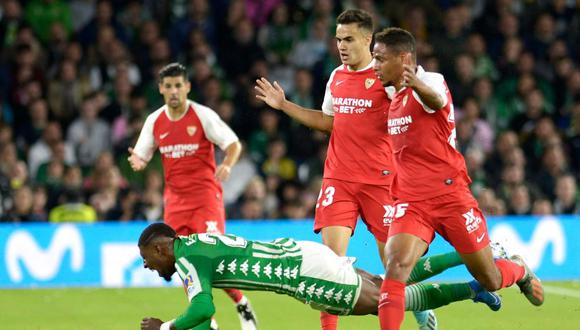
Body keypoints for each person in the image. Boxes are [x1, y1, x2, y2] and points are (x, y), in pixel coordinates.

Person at [255, 9, 457, 330]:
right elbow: (329, 122)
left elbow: (419, 114)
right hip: (339, 180)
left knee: (397, 268)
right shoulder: (336, 77)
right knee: (329, 266)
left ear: (367, 39)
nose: (341, 45)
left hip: (382, 182)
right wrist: (285, 106)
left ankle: (422, 306)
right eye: (338, 39)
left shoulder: (387, 80)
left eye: (348, 39)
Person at [371, 27, 544, 330]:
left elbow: (436, 100)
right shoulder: (390, 93)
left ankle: (518, 269)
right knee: (395, 269)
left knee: (489, 277)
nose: (375, 66)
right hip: (411, 201)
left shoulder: (431, 81)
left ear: (404, 59)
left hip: (451, 197)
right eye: (373, 58)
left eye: (380, 59)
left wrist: (416, 83)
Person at [138, 223, 502, 330]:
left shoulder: (186, 260)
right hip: (298, 255)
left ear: (160, 249)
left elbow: (201, 309)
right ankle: (479, 261)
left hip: (303, 276)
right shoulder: (194, 243)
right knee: (390, 281)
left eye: (147, 260)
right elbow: (199, 317)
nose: (148, 268)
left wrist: (165, 328)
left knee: (392, 301)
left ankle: (474, 285)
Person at [128, 63, 256, 330]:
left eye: (178, 85)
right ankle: (206, 320)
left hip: (205, 199)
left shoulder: (202, 115)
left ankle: (241, 302)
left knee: (215, 261)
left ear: (187, 87)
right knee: (182, 264)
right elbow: (141, 153)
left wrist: (228, 164)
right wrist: (138, 161)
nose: (174, 91)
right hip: (175, 203)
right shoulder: (155, 120)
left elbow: (233, 144)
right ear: (161, 89)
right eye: (168, 86)